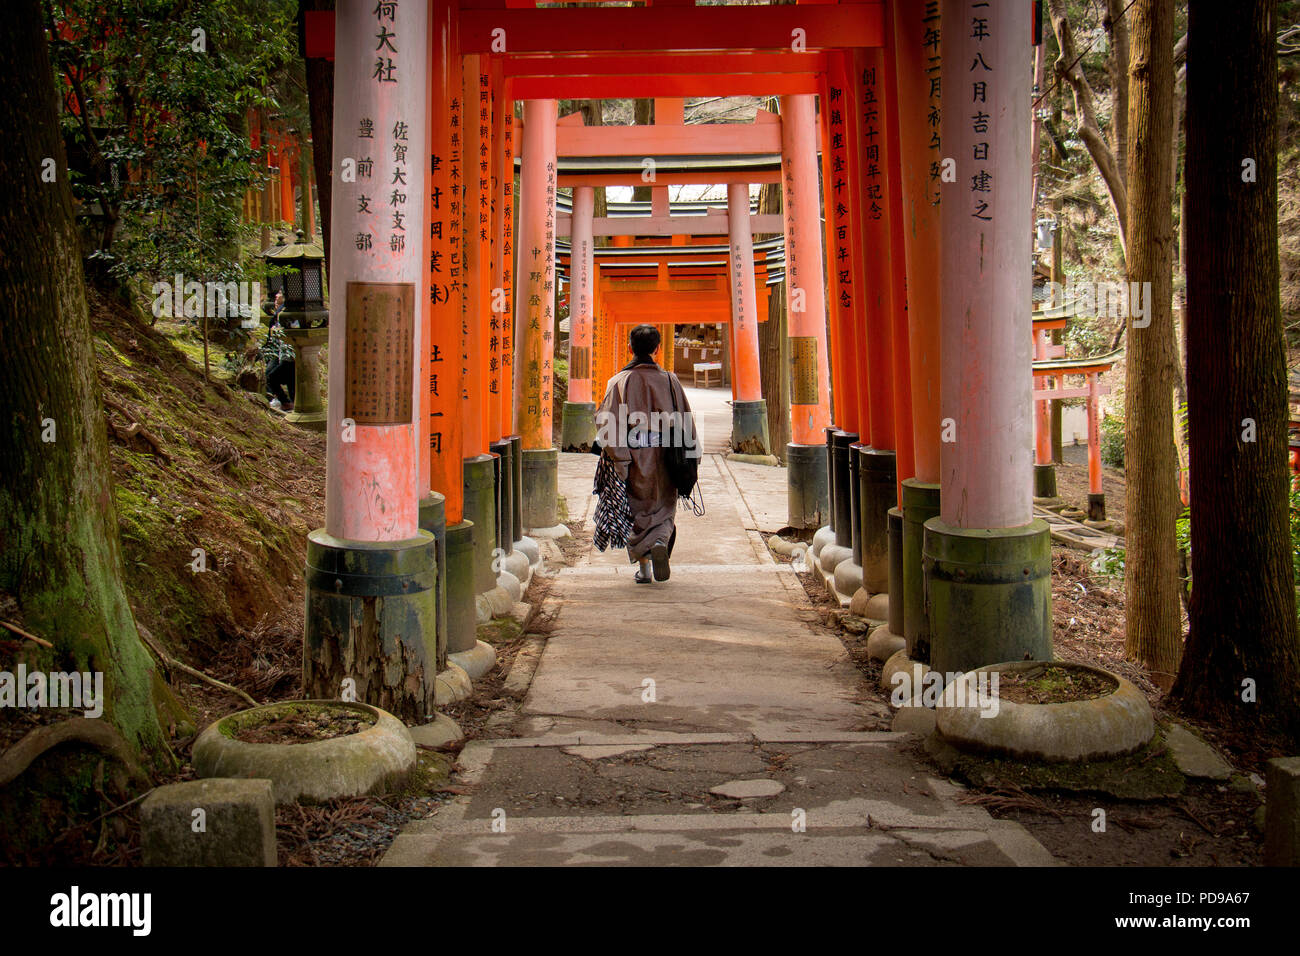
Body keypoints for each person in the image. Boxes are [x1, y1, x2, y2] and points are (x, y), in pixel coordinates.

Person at [593, 324, 697, 584]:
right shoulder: (671, 381)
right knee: (663, 507)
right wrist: (693, 457)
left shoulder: (619, 381)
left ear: (630, 348)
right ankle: (660, 541)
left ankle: (645, 570)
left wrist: (619, 460)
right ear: (657, 349)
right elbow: (686, 420)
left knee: (637, 511)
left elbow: (608, 424)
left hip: (634, 455)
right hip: (668, 456)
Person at [262, 291, 296, 411]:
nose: (276, 295)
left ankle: (287, 403)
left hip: (290, 354)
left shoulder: (288, 311)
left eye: (280, 293)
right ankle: (285, 402)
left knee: (274, 378)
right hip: (280, 352)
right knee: (273, 376)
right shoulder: (280, 310)